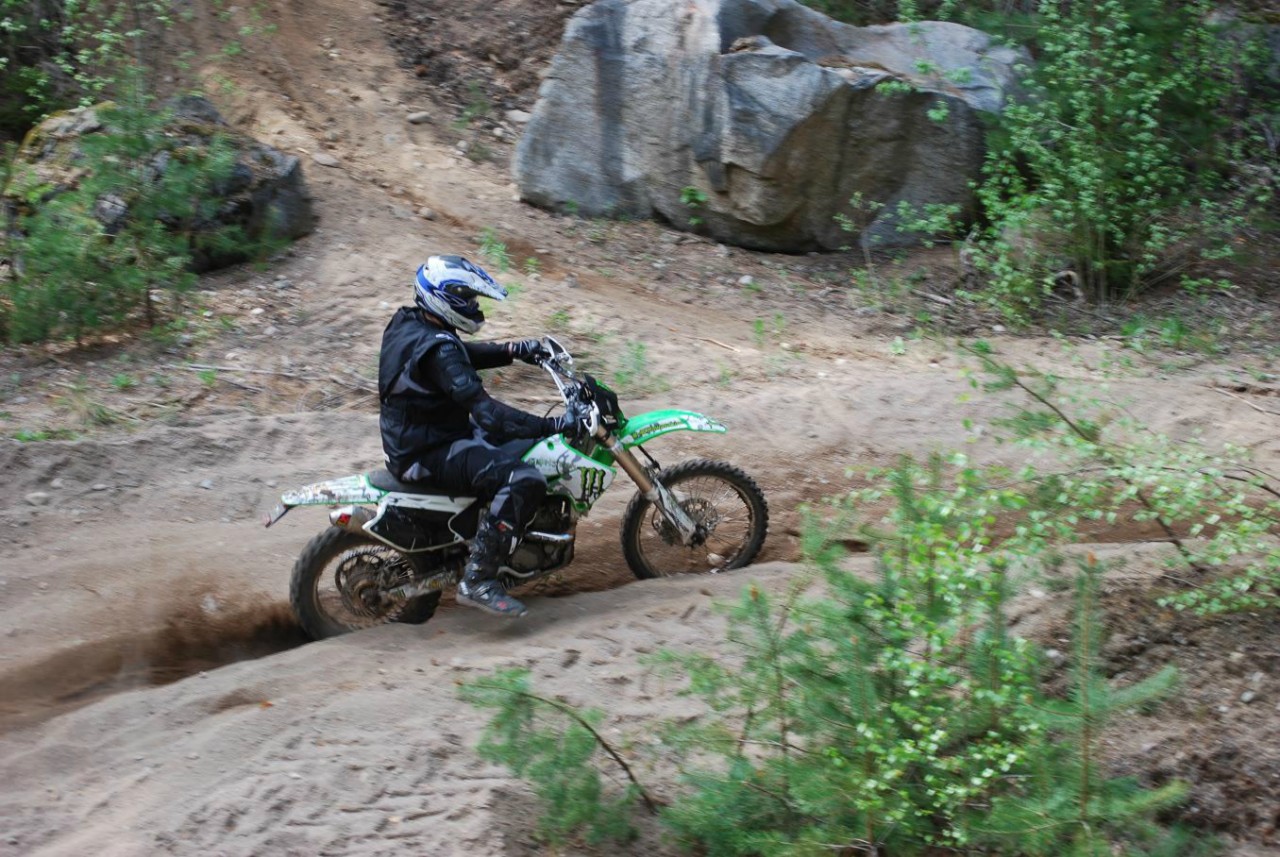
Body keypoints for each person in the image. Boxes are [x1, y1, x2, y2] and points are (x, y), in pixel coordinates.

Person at [378, 254, 574, 618]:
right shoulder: (440, 349)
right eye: (467, 298)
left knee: (519, 448)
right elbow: (489, 415)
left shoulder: (408, 322)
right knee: (524, 479)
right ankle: (479, 578)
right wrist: (555, 425)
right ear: (444, 298)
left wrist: (515, 351)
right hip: (429, 451)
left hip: (420, 437)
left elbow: (458, 353)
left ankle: (486, 535)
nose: (473, 305)